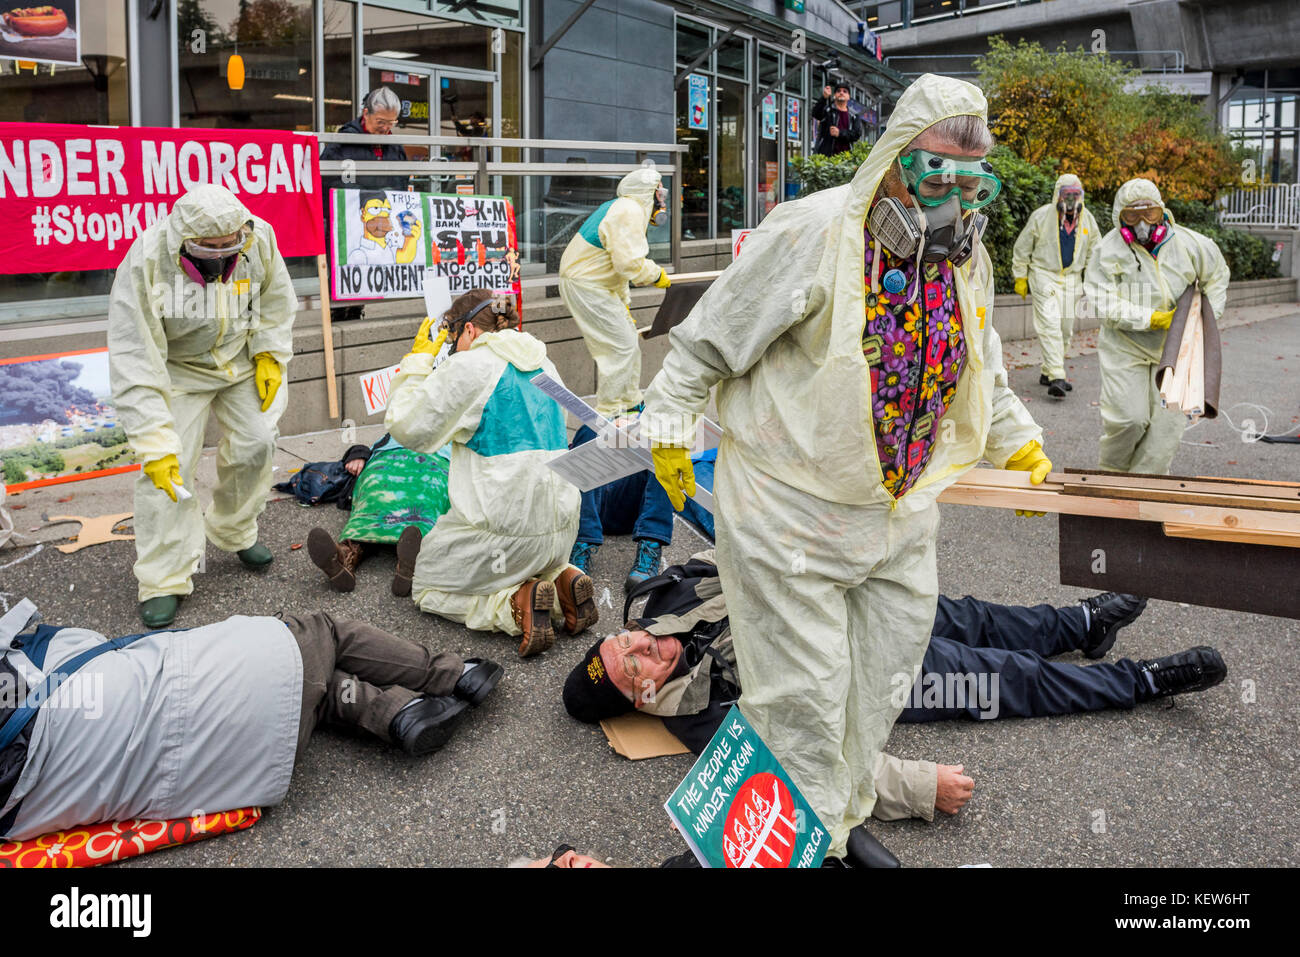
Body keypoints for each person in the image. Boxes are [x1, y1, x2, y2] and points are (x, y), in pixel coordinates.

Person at [639, 74, 1051, 862]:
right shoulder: (816, 231)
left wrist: (1021, 443)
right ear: (895, 159)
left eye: (972, 180)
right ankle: (784, 846)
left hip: (894, 518)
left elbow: (981, 370)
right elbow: (705, 339)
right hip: (786, 510)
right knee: (803, 707)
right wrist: (664, 428)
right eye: (936, 175)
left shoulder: (965, 260)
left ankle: (821, 826)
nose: (953, 199)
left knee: (875, 696)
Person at [0, 598, 503, 842]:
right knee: (322, 631)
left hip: (219, 776)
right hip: (201, 698)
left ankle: (396, 712)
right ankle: (452, 673)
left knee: (307, 686)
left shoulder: (12, 822)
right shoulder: (17, 678)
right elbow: (72, 643)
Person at [107, 184, 296, 629]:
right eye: (208, 249)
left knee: (258, 442)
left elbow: (275, 298)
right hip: (176, 369)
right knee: (167, 473)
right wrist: (153, 442)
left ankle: (234, 530)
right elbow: (135, 358)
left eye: (228, 246)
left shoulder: (258, 236)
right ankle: (162, 580)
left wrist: (269, 352)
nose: (220, 255)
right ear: (182, 239)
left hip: (241, 358)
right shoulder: (147, 260)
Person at [385, 289, 599, 657]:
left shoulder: (471, 366)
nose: (452, 348)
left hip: (503, 533)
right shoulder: (544, 363)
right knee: (527, 563)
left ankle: (514, 607)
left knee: (427, 586)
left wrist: (418, 360)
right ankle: (563, 583)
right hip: (561, 531)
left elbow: (408, 426)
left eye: (453, 339)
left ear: (468, 330)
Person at [1084, 178, 1230, 474]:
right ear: (1119, 216)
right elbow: (1102, 301)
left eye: (1148, 213)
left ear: (1162, 211)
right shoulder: (1106, 252)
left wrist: (1203, 319)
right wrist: (1150, 318)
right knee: (1128, 420)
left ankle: (1143, 496)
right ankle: (1110, 480)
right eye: (1132, 215)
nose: (1142, 224)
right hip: (1126, 349)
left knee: (1166, 431)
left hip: (1179, 353)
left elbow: (1216, 276)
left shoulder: (1191, 244)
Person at [558, 168, 671, 418]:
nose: (661, 200)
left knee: (628, 342)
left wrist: (624, 303)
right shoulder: (629, 210)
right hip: (586, 284)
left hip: (593, 283)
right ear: (647, 193)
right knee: (619, 348)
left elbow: (613, 266)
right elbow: (629, 264)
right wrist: (655, 275)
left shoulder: (626, 208)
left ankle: (630, 401)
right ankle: (609, 411)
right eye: (659, 193)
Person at [305, 434, 452, 596]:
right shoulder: (395, 432)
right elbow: (365, 449)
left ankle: (416, 556)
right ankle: (345, 555)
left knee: (427, 493)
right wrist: (357, 456)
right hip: (385, 461)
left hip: (435, 463)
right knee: (374, 492)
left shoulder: (455, 432)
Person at [320, 86, 409, 322]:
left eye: (391, 123)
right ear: (366, 113)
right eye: (381, 121)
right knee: (344, 269)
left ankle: (357, 308)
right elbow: (325, 181)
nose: (385, 128)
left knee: (369, 268)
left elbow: (401, 182)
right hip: (347, 219)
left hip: (379, 221)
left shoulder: (394, 147)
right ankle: (338, 312)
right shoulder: (343, 142)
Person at [565, 421, 679, 593]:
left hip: (633, 506)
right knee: (589, 430)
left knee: (667, 437)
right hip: (591, 503)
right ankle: (580, 546)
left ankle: (651, 545)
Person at [1012, 174, 1099, 397]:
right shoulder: (1041, 217)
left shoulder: (1087, 220)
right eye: (1067, 195)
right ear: (1058, 195)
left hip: (1073, 279)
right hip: (1044, 275)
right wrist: (1020, 276)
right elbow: (1022, 248)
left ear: (1081, 196)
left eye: (1075, 195)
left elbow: (1094, 252)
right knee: (1050, 324)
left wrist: (1093, 279)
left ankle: (1047, 370)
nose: (1071, 200)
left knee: (1065, 329)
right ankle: (1057, 377)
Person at [811, 83, 863, 157]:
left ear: (849, 97)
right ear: (834, 95)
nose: (841, 93)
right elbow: (816, 113)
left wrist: (840, 133)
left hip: (846, 158)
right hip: (826, 157)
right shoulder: (828, 111)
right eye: (838, 91)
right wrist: (824, 98)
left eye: (845, 91)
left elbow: (856, 134)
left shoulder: (854, 116)